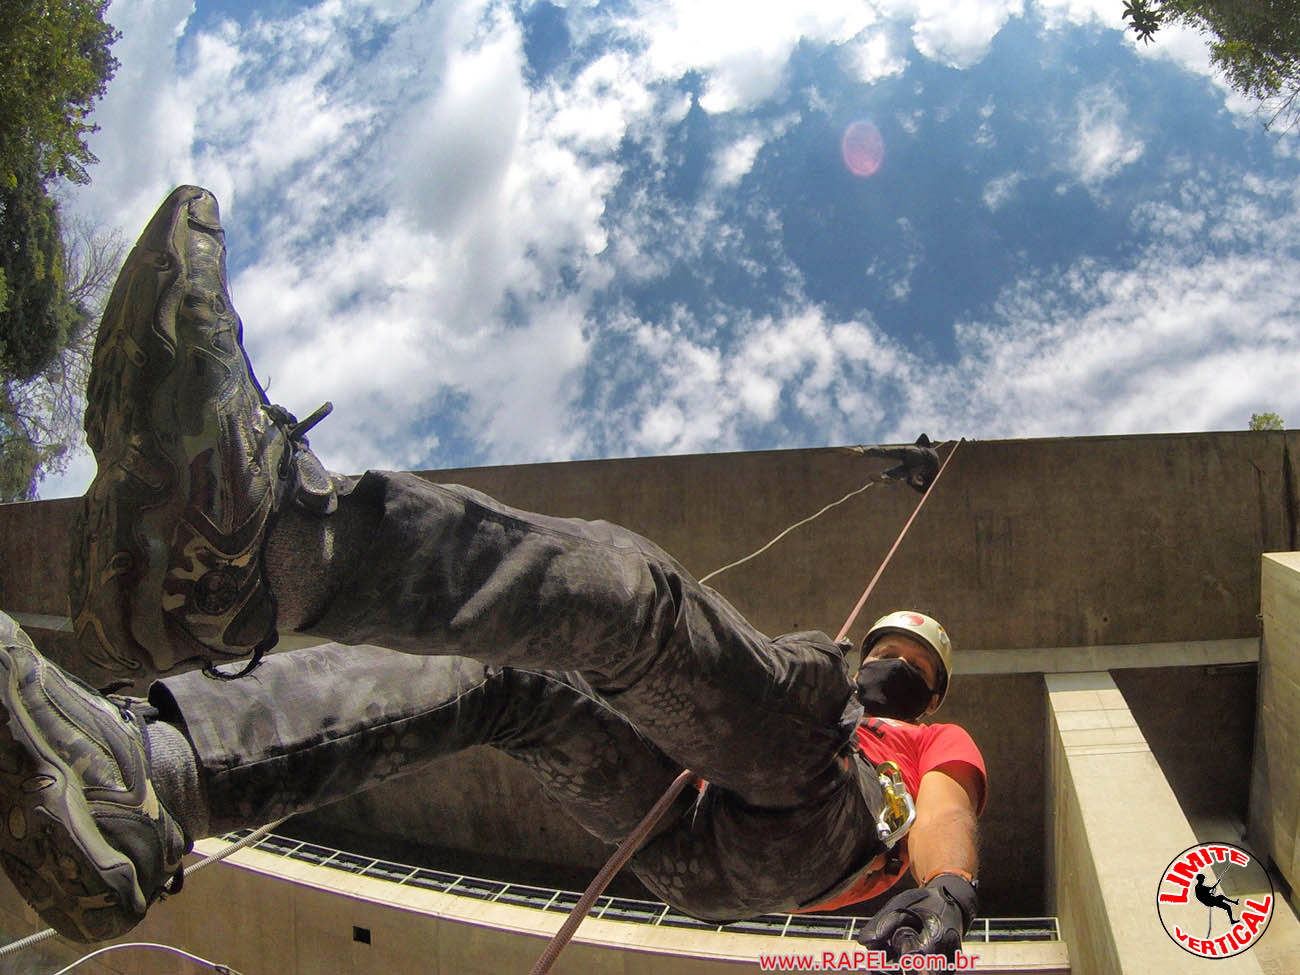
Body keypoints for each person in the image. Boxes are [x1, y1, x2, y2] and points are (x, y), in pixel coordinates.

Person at [0, 186, 986, 961]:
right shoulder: (831, 714)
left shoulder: (926, 736)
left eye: (907, 659)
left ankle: (273, 546)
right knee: (510, 684)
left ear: (927, 685)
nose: (889, 660)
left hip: (818, 832)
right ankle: (151, 786)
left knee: (666, 617)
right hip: (689, 849)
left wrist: (945, 889)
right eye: (887, 646)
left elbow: (944, 809)